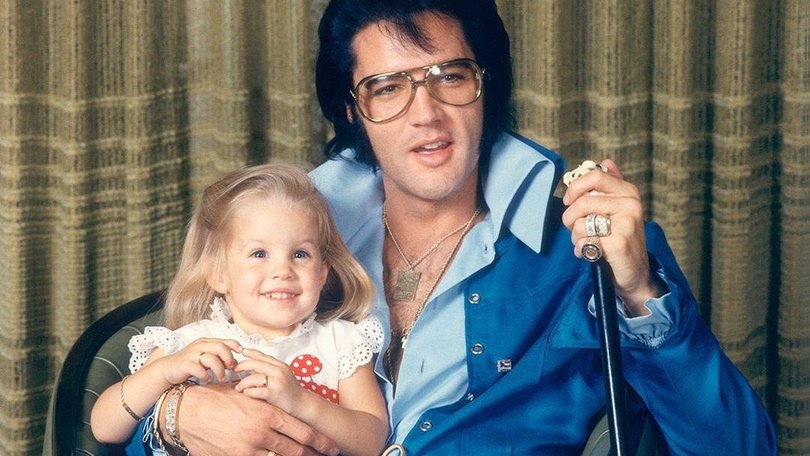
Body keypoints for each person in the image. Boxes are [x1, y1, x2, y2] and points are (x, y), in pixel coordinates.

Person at [128, 0, 777, 454]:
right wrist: (177, 418)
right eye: (388, 87)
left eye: (450, 76)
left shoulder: (580, 245)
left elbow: (739, 448)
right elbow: (155, 384)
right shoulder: (292, 231)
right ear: (352, 112)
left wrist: (638, 288)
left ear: (486, 86)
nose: (426, 114)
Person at [92, 164, 388, 456]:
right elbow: (104, 428)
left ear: (323, 273)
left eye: (300, 254)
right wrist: (162, 374)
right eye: (259, 254)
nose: (282, 270)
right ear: (219, 273)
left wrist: (301, 401)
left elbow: (371, 441)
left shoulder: (343, 343)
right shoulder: (191, 345)